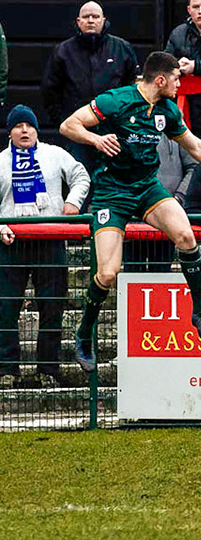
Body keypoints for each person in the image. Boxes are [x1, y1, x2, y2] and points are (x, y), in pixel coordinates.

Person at [59, 52, 201, 368]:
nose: (179, 83)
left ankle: (199, 312)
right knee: (107, 272)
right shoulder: (116, 100)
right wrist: (95, 139)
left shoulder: (168, 111)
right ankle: (85, 333)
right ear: (161, 79)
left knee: (185, 235)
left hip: (147, 187)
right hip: (112, 194)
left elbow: (197, 147)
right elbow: (68, 125)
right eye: (176, 78)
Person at [0, 106, 87, 385]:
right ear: (10, 132)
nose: (24, 130)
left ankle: (48, 370)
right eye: (18, 126)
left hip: (50, 239)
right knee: (6, 308)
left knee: (52, 307)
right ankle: (7, 370)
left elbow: (80, 175)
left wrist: (73, 201)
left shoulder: (54, 154)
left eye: (29, 125)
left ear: (37, 129)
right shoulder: (0, 161)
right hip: (11, 241)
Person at [41, 1, 138, 159]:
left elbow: (133, 88)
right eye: (86, 17)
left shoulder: (122, 48)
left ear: (103, 20)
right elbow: (50, 90)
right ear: (78, 22)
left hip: (114, 131)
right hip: (76, 133)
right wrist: (63, 121)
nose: (91, 20)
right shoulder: (63, 51)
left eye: (95, 16)